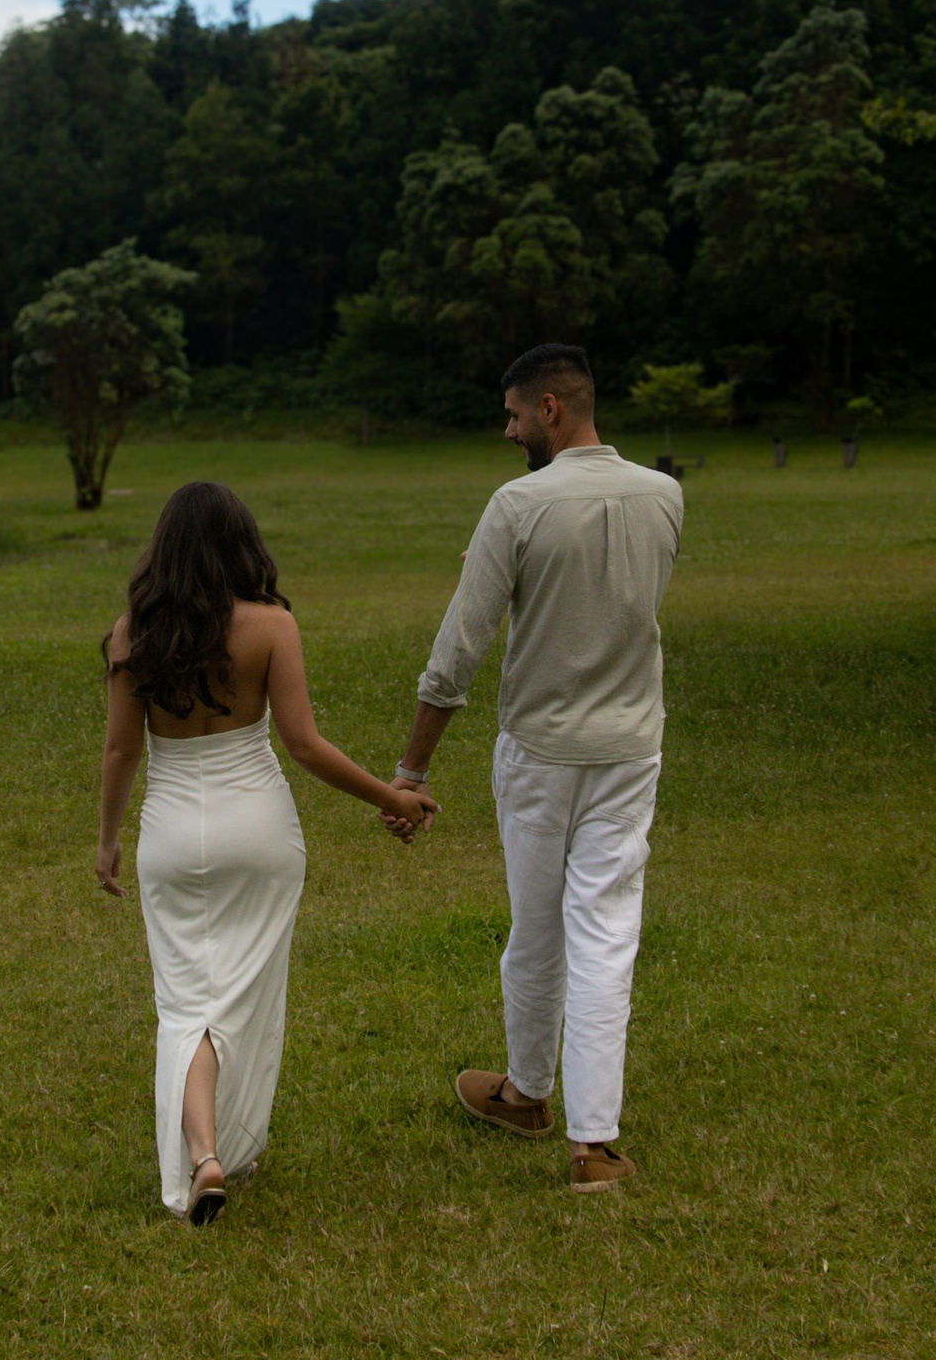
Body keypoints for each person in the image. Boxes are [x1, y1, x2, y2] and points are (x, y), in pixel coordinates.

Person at [99, 480, 435, 1224]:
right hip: (260, 829)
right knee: (245, 994)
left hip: (172, 835)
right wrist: (393, 797)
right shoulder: (271, 627)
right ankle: (226, 1149)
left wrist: (106, 842)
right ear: (239, 545)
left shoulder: (130, 636)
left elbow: (122, 750)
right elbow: (306, 747)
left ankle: (207, 1153)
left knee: (186, 1001)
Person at [395, 343, 683, 1194]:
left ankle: (526, 1094)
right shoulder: (665, 497)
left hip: (540, 751)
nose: (509, 429)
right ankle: (593, 1146)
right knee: (607, 935)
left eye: (516, 414)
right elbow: (615, 594)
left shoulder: (516, 504)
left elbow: (459, 649)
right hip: (631, 747)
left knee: (538, 929)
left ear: (552, 409)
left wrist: (411, 766)